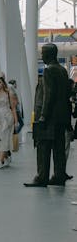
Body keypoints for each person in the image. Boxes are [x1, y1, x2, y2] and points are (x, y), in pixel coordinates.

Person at [25, 43, 72, 187]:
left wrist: (43, 116)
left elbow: (48, 95)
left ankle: (42, 177)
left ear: (49, 54)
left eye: (43, 53)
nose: (42, 56)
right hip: (61, 117)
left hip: (49, 117)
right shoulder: (62, 70)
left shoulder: (49, 71)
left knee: (43, 147)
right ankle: (59, 176)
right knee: (58, 148)